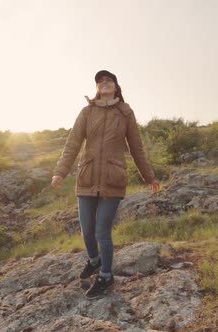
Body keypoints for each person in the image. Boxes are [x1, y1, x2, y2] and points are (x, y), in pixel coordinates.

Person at [51, 69, 160, 298]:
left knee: (102, 231)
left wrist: (148, 176)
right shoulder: (87, 112)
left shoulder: (125, 112)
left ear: (116, 86)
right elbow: (73, 143)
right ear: (97, 88)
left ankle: (106, 276)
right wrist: (60, 172)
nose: (104, 82)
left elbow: (136, 147)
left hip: (113, 179)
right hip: (87, 177)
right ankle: (94, 260)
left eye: (108, 80)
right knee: (87, 231)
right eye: (100, 81)